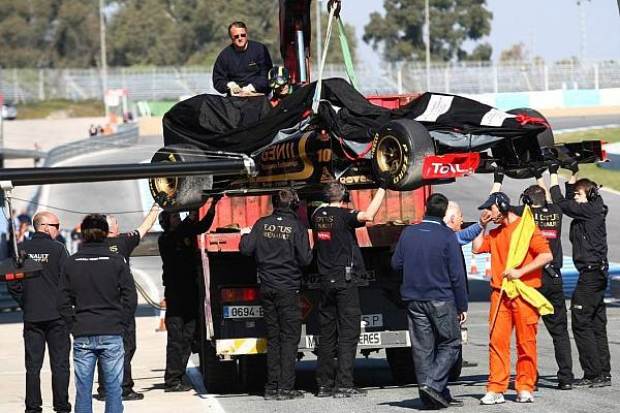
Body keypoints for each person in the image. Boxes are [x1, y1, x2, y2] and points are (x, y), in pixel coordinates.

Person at [493, 168, 575, 390]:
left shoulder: (523, 214)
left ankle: (531, 378)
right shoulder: (556, 212)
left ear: (527, 201)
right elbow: (547, 197)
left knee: (527, 331)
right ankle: (566, 378)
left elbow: (496, 206)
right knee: (559, 331)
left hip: (533, 280)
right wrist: (546, 173)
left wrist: (498, 180)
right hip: (555, 277)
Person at [473, 192, 553, 405]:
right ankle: (496, 387)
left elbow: (546, 256)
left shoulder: (527, 229)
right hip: (499, 293)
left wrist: (520, 271)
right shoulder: (496, 232)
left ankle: (525, 386)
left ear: (503, 206)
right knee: (496, 341)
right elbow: (477, 247)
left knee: (526, 342)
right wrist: (481, 226)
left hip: (524, 292)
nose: (488, 213)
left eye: (491, 209)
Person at [391, 194, 468, 409]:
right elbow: (457, 275)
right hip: (441, 298)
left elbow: (396, 264)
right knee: (451, 343)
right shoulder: (446, 236)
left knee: (422, 348)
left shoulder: (408, 233)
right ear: (444, 213)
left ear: (425, 208)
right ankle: (433, 386)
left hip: (414, 299)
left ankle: (430, 396)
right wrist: (462, 305)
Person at [312, 181, 386, 398]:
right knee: (348, 333)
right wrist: (382, 188)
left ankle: (324, 385)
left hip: (326, 281)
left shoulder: (317, 215)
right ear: (343, 197)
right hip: (344, 281)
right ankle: (344, 384)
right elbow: (369, 215)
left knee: (326, 334)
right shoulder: (344, 216)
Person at [59, 214, 137, 413]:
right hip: (111, 330)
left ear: (83, 235)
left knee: (83, 390)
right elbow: (130, 297)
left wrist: (73, 325)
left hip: (83, 331)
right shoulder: (116, 261)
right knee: (113, 389)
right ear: (105, 234)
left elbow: (62, 301)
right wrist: (122, 323)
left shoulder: (71, 262)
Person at [239, 189, 312, 400]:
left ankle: (271, 388)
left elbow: (246, 249)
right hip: (288, 289)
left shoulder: (261, 224)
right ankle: (286, 388)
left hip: (267, 288)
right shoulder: (297, 227)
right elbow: (306, 260)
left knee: (273, 338)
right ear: (294, 205)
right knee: (289, 339)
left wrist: (245, 234)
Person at [549, 162, 611, 387]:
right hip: (596, 274)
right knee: (596, 322)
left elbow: (560, 202)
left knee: (580, 322)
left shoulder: (590, 210)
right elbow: (569, 200)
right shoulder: (591, 209)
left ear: (591, 194)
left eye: (578, 194)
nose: (575, 197)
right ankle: (603, 373)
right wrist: (572, 172)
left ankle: (593, 374)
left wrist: (552, 174)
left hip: (591, 275)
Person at [95, 203, 161, 401]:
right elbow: (145, 227)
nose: (118, 226)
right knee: (125, 347)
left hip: (100, 306)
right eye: (116, 224)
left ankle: (105, 388)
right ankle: (123, 388)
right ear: (111, 229)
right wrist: (156, 208)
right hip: (121, 308)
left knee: (105, 347)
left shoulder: (92, 246)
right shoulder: (122, 241)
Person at [7, 211, 72, 413]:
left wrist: (26, 302)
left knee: (33, 367)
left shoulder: (21, 250)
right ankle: (61, 406)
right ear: (45, 227)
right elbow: (68, 280)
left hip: (32, 316)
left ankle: (33, 408)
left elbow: (12, 283)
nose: (58, 229)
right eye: (56, 225)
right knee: (60, 364)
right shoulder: (59, 249)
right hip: (57, 317)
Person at [159, 196, 221, 392]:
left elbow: (202, 226)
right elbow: (188, 227)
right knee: (176, 339)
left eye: (178, 216)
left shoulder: (183, 232)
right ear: (166, 223)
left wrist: (212, 208)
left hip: (189, 293)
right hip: (176, 296)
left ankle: (178, 375)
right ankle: (172, 379)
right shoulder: (167, 239)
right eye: (174, 217)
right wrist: (194, 210)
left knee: (188, 336)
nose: (178, 219)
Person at [444, 201, 492, 370]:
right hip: (446, 300)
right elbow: (463, 237)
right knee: (449, 339)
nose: (462, 221)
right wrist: (480, 224)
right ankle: (445, 369)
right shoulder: (447, 238)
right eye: (460, 217)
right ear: (451, 218)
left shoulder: (435, 235)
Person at [212, 21, 273, 96]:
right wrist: (230, 85)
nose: (240, 38)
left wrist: (251, 88)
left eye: (243, 35)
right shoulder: (224, 56)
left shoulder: (260, 49)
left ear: (247, 34)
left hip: (258, 94)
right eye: (236, 36)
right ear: (231, 37)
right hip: (235, 98)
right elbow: (218, 81)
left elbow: (267, 75)